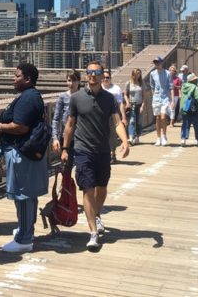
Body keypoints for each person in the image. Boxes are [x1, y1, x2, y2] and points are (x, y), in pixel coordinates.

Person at [62, 61, 130, 252]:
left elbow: (116, 122)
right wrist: (66, 148)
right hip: (83, 151)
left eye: (97, 72)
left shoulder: (109, 99)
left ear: (103, 76)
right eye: (89, 72)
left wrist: (125, 141)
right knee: (87, 189)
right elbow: (69, 124)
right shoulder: (76, 98)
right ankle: (93, 233)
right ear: (86, 75)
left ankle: (96, 215)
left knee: (102, 187)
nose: (92, 75)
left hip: (103, 150)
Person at [0, 63, 49, 253]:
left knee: (23, 195)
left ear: (28, 79)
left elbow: (20, 127)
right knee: (28, 194)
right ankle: (26, 230)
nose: (13, 79)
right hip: (26, 152)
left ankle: (24, 239)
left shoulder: (28, 97)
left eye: (17, 76)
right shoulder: (30, 96)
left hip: (21, 153)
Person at [51, 69, 81, 173]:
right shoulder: (62, 97)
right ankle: (66, 188)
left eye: (74, 80)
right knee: (66, 168)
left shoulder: (84, 96)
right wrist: (55, 138)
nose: (71, 83)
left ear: (79, 81)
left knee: (82, 167)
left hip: (81, 137)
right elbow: (56, 119)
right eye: (69, 80)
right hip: (66, 137)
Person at [148, 56, 173, 146]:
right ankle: (158, 138)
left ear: (162, 63)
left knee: (163, 117)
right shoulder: (152, 74)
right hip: (156, 98)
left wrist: (172, 100)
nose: (157, 64)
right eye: (155, 63)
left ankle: (164, 135)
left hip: (165, 97)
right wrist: (153, 96)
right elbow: (152, 86)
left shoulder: (168, 73)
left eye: (158, 62)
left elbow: (171, 87)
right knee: (158, 118)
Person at [102, 69, 124, 162]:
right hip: (101, 116)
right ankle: (105, 154)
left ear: (111, 78)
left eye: (107, 77)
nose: (106, 79)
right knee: (103, 135)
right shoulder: (99, 88)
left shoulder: (116, 89)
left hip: (113, 115)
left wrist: (123, 117)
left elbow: (120, 103)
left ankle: (113, 154)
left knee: (112, 135)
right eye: (104, 78)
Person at [178, 73, 198, 146]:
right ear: (193, 80)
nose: (197, 80)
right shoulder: (195, 88)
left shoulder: (183, 87)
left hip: (185, 109)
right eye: (195, 79)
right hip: (194, 109)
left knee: (185, 125)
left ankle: (183, 139)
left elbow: (182, 98)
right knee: (197, 125)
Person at [123, 68, 146, 145]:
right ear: (133, 74)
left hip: (139, 104)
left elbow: (143, 96)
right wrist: (127, 103)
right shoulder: (128, 83)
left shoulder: (141, 83)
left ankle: (137, 136)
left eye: (139, 73)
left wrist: (142, 106)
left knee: (139, 121)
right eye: (136, 73)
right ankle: (130, 138)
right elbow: (125, 94)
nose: (138, 75)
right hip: (132, 104)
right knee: (132, 120)